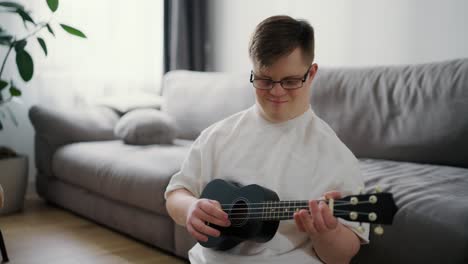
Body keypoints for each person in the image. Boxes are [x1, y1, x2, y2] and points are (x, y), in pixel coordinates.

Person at [164, 15, 369, 264]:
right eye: (264, 79)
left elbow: (342, 256)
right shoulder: (217, 136)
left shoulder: (336, 157)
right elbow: (176, 192)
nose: (277, 91)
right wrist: (189, 209)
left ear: (311, 73)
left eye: (291, 81)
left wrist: (328, 233)